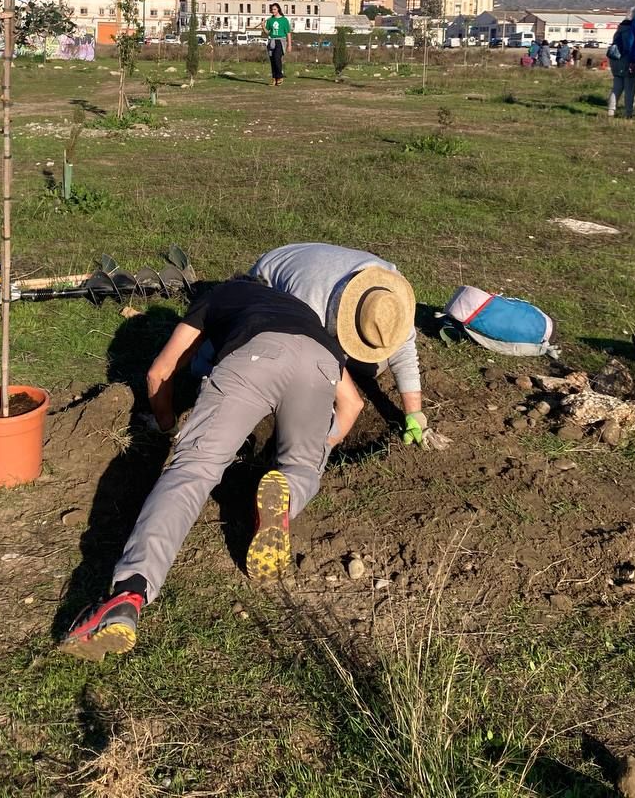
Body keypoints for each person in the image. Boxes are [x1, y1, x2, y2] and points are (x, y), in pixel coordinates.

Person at [59, 273, 412, 661]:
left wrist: (166, 427)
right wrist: (316, 448)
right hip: (319, 364)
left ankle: (129, 594)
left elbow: (160, 372)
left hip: (255, 357)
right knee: (302, 468)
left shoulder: (222, 295)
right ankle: (287, 492)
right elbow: (353, 407)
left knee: (193, 471)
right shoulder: (304, 315)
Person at [248, 242, 425, 442]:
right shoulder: (310, 305)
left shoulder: (392, 297)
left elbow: (405, 350)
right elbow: (314, 358)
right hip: (267, 280)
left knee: (374, 367)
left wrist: (414, 412)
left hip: (322, 272)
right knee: (294, 371)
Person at [607, 12, 635, 120]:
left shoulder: (618, 32)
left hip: (615, 63)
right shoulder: (631, 32)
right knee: (630, 89)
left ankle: (611, 110)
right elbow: (630, 48)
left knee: (616, 88)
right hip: (627, 63)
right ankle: (628, 112)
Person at [264, 2, 291, 86]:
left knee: (277, 58)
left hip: (280, 41)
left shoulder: (284, 20)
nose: (273, 11)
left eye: (274, 9)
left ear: (278, 9)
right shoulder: (270, 20)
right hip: (271, 40)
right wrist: (263, 26)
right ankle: (274, 79)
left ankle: (280, 77)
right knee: (272, 60)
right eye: (272, 10)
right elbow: (267, 32)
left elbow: (288, 33)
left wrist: (289, 45)